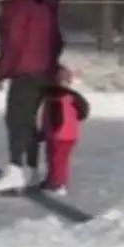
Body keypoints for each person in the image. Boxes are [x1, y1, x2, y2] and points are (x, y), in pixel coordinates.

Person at [0, 0, 66, 195]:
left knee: (16, 118)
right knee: (29, 121)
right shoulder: (46, 3)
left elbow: (12, 41)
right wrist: (52, 62)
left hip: (26, 69)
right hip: (45, 69)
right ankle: (31, 168)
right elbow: (58, 38)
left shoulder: (17, 5)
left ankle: (15, 169)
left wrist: (2, 71)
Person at [38, 68, 90, 198]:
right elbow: (82, 112)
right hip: (59, 135)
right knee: (52, 158)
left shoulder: (59, 97)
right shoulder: (62, 97)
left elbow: (56, 118)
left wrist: (50, 130)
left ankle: (59, 183)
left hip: (61, 135)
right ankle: (52, 180)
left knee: (58, 160)